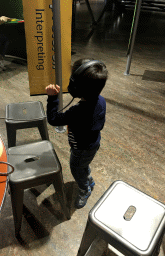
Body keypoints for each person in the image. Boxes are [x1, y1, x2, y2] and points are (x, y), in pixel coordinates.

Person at [45, 58, 108, 209]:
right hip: (93, 144)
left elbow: (53, 119)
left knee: (76, 168)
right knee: (83, 166)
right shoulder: (101, 101)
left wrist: (52, 98)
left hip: (80, 148)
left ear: (76, 87)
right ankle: (88, 179)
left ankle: (84, 189)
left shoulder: (78, 111)